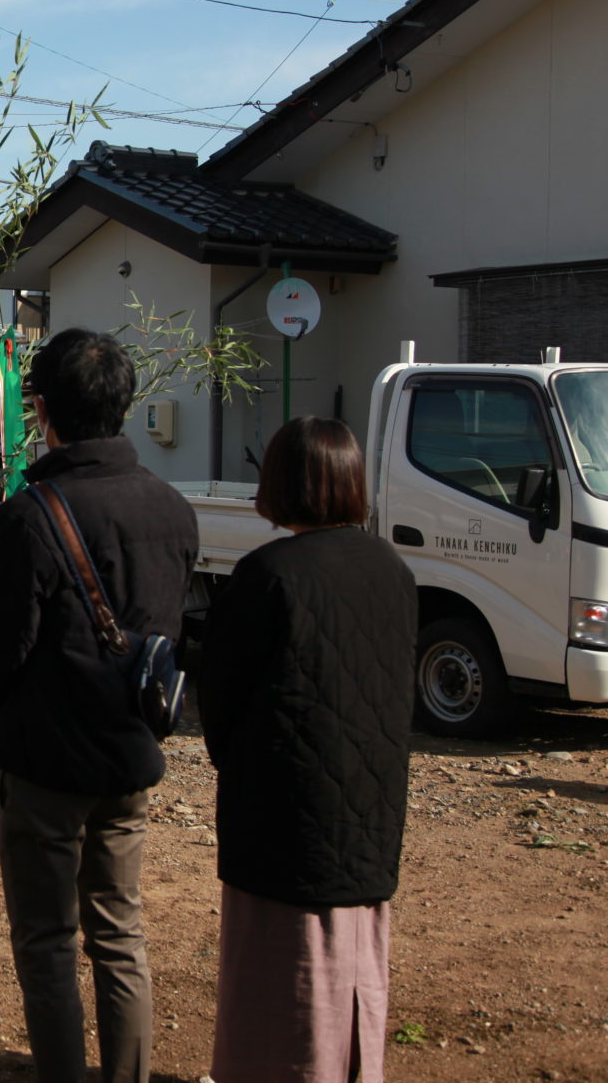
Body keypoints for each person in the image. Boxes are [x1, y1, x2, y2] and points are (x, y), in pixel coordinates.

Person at [0, 328, 199, 1083]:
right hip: (130, 753)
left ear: (45, 411)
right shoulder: (171, 507)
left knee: (47, 941)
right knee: (120, 933)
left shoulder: (34, 515)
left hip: (45, 763)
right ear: (123, 407)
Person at [199, 416, 416, 1083]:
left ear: (278, 485)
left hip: (283, 805)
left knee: (284, 969)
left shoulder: (267, 575)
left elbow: (221, 699)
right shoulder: (392, 569)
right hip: (372, 797)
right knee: (356, 956)